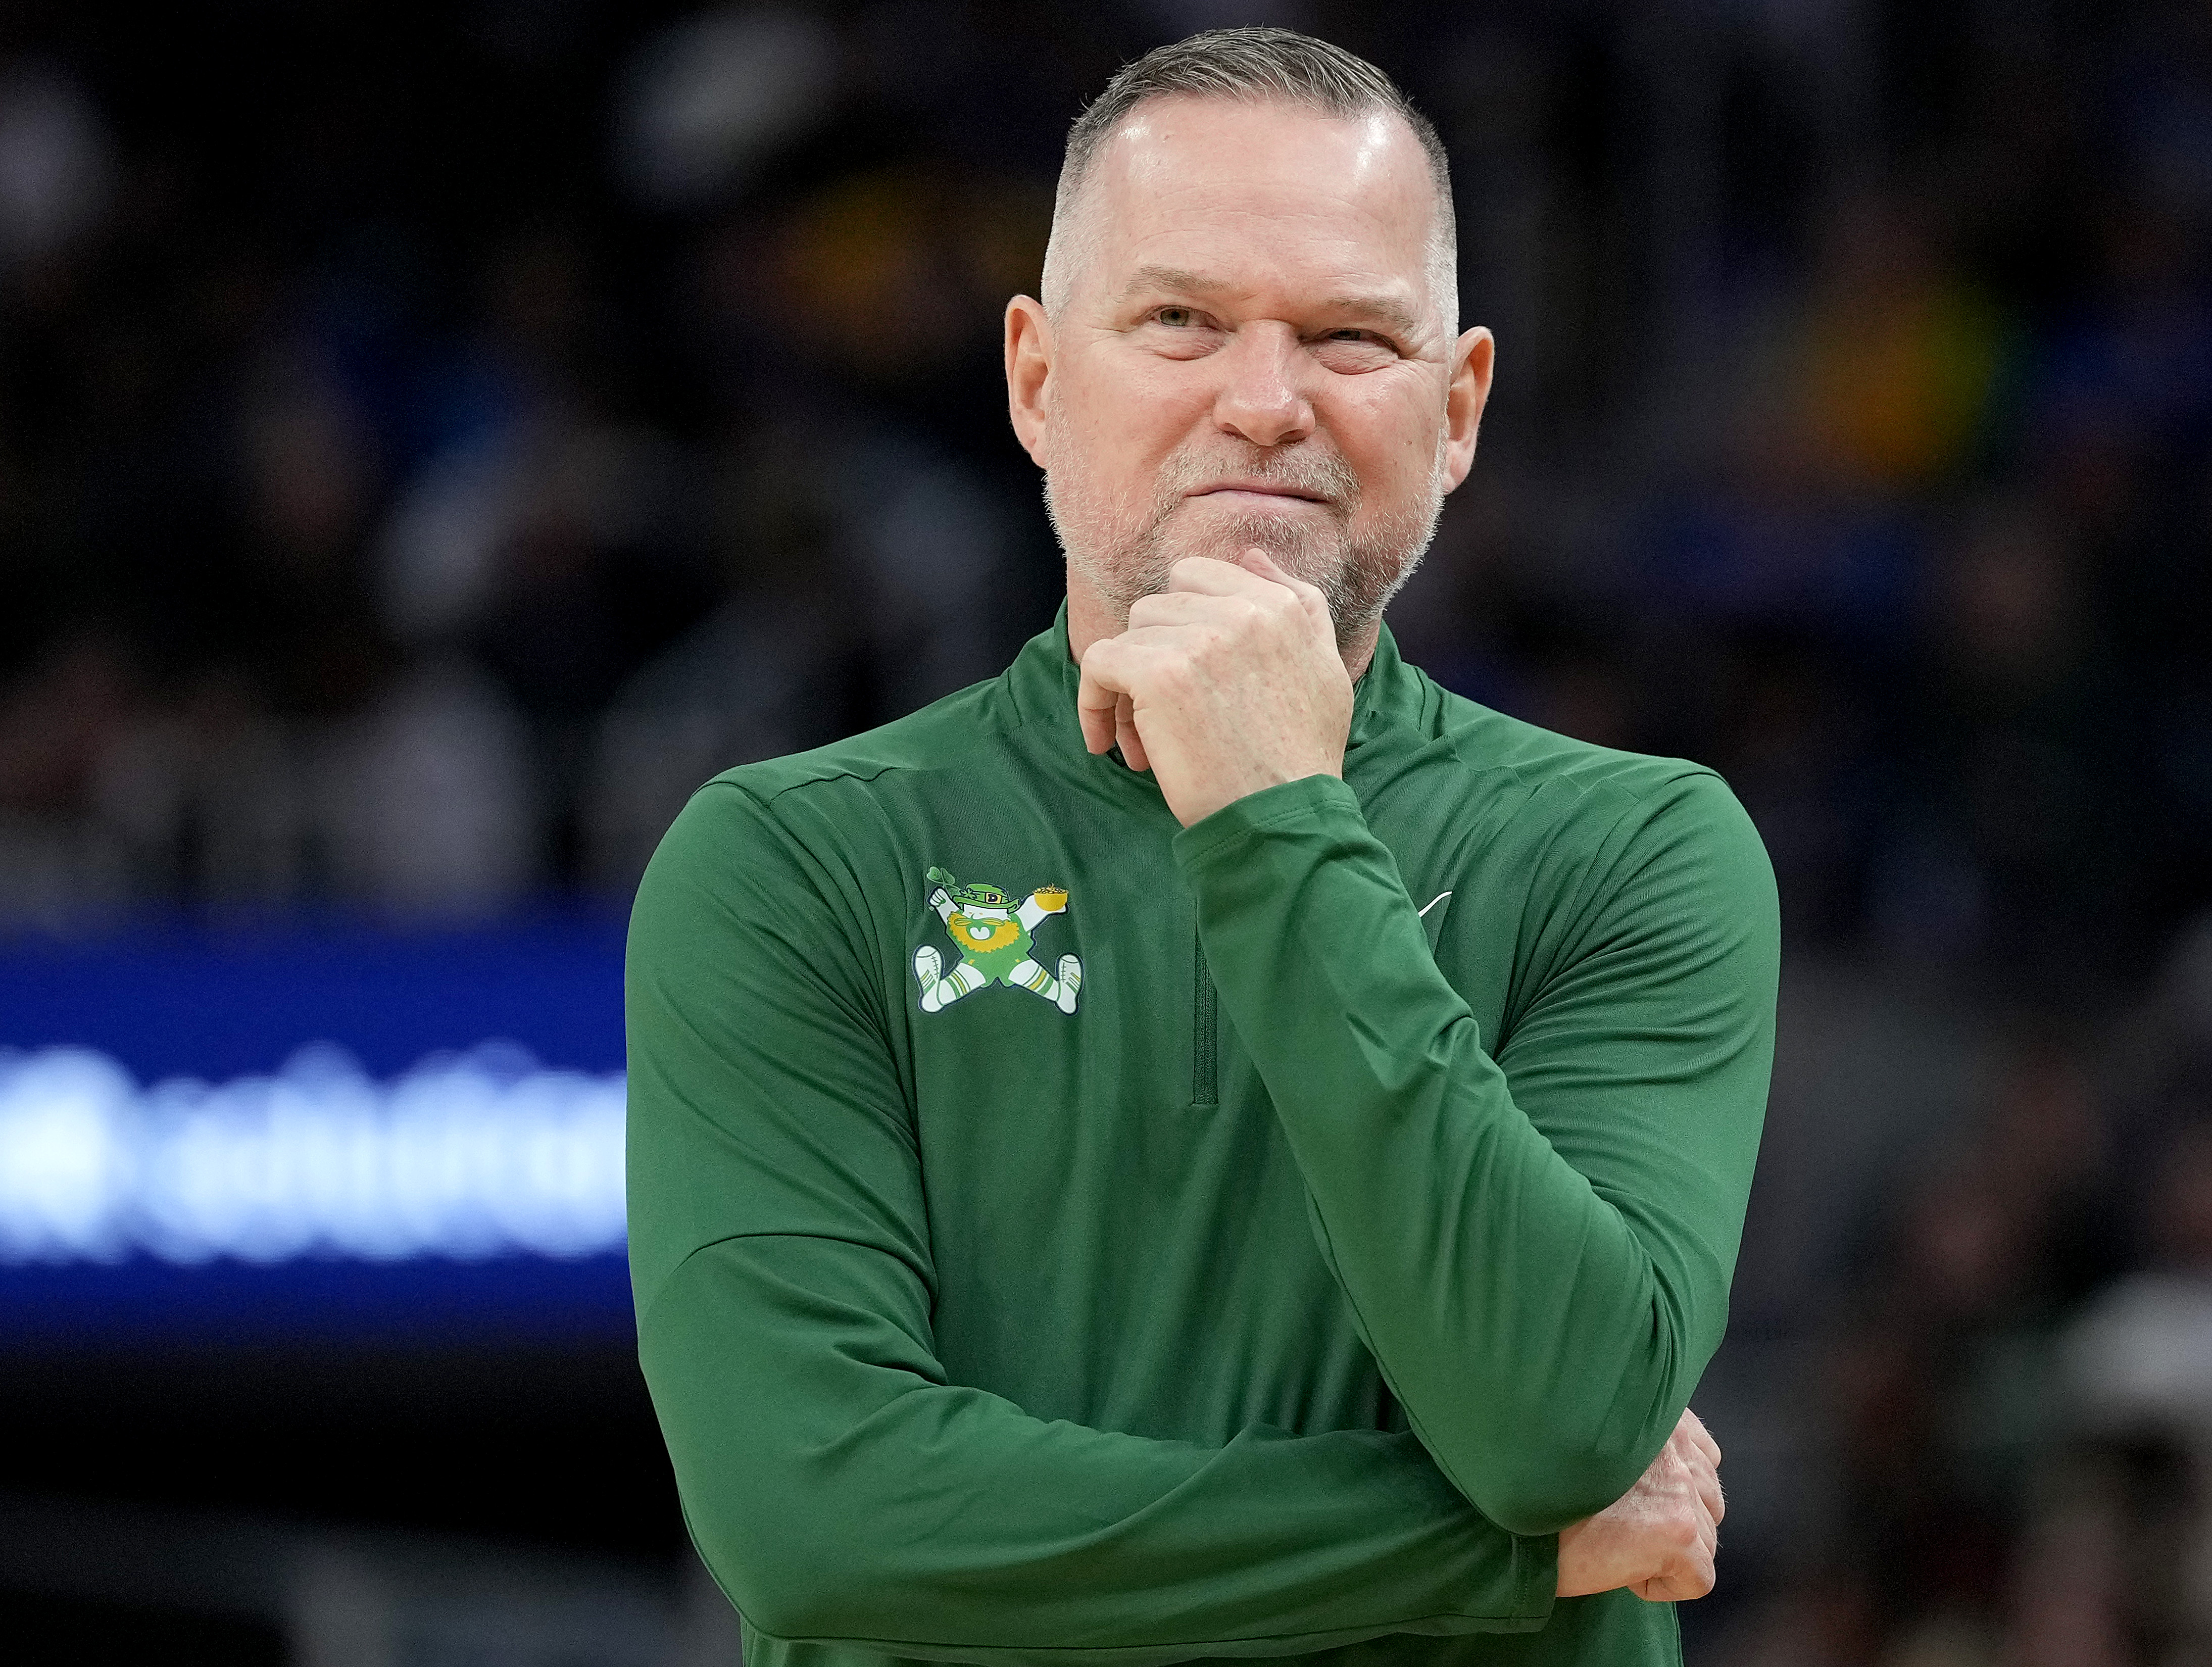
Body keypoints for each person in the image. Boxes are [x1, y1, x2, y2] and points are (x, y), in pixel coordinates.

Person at [625, 27, 1776, 1667]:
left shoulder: (1633, 848)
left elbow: (1563, 1428)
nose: (1264, 401)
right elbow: (813, 1513)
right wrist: (1497, 1560)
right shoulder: (791, 865)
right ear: (1037, 379)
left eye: (1351, 336)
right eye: (1180, 321)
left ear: (1457, 410)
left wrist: (1278, 816)